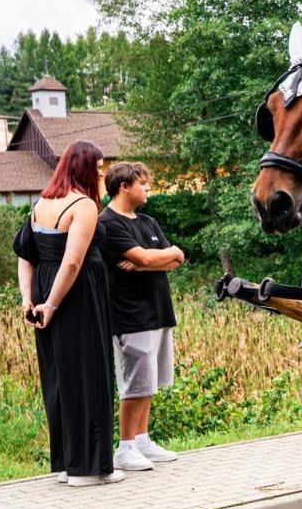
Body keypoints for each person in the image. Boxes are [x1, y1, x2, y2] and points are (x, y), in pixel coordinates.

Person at [12, 140, 122, 487]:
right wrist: (52, 304)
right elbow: (73, 261)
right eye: (98, 168)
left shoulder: (40, 204)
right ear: (82, 168)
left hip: (45, 288)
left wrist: (30, 300)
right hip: (77, 294)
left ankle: (66, 464)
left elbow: (25, 256)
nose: (101, 174)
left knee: (59, 377)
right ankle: (88, 469)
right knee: (89, 375)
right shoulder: (83, 205)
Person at [96, 162, 184, 471]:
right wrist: (156, 257)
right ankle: (125, 447)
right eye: (142, 183)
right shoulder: (108, 223)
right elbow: (150, 256)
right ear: (124, 187)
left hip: (158, 311)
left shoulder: (148, 222)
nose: (147, 188)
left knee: (149, 381)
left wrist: (148, 262)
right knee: (134, 383)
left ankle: (142, 440)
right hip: (130, 315)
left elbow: (177, 260)